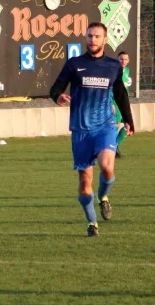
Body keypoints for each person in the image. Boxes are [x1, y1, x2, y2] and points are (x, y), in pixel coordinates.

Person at [50, 22, 134, 237]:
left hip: (104, 126)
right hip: (81, 129)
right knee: (85, 183)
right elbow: (56, 87)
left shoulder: (113, 66)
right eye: (89, 36)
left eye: (97, 36)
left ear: (105, 39)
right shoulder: (74, 64)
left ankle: (103, 197)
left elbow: (121, 95)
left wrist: (128, 120)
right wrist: (57, 95)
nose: (92, 40)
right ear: (86, 38)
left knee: (107, 167)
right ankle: (92, 223)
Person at [112, 51, 132, 158]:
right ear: (117, 59)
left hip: (123, 104)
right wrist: (111, 103)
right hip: (115, 104)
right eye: (121, 59)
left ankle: (114, 147)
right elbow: (109, 89)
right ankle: (111, 148)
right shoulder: (113, 73)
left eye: (125, 59)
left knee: (127, 127)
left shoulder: (127, 71)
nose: (123, 61)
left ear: (128, 61)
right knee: (115, 127)